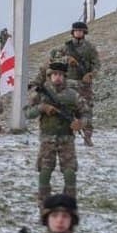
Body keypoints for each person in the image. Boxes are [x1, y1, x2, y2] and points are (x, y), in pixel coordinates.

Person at [25, 56, 88, 205]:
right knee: (45, 172)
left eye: (60, 75)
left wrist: (81, 123)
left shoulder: (73, 95)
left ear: (64, 77)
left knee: (70, 173)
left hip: (67, 139)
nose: (58, 77)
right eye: (55, 74)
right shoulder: (41, 94)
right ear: (49, 76)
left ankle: (69, 203)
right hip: (47, 139)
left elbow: (86, 113)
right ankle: (44, 202)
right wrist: (42, 108)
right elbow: (27, 113)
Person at [62, 21, 100, 146]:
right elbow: (55, 61)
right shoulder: (66, 47)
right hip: (69, 84)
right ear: (73, 32)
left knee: (86, 110)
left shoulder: (89, 48)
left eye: (81, 31)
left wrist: (90, 75)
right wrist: (67, 59)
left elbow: (97, 64)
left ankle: (87, 136)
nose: (78, 32)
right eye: (76, 30)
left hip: (84, 85)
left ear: (84, 33)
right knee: (68, 111)